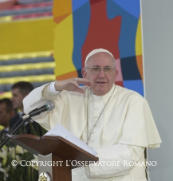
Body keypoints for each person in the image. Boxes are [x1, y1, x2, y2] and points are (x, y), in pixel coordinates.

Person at [23, 48, 161, 181]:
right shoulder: (69, 97)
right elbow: (30, 107)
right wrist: (56, 87)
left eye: (107, 69)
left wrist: (84, 160)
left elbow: (131, 153)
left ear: (115, 73)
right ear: (85, 73)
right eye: (95, 69)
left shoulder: (133, 100)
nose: (102, 74)